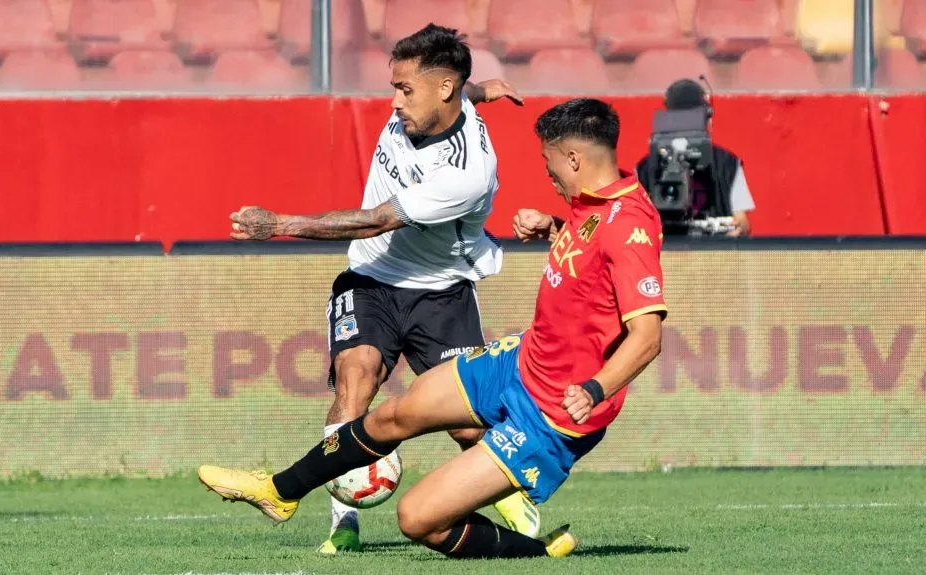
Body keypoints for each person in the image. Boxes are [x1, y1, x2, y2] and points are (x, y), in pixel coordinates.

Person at [199, 98, 667, 560]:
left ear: (574, 158)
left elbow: (647, 336)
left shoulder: (630, 227)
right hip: (521, 362)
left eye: (550, 166)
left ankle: (539, 552)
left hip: (552, 413)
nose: (549, 176)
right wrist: (554, 227)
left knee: (418, 519)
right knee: (392, 415)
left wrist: (594, 388)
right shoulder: (595, 202)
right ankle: (280, 492)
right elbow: (595, 254)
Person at [218, 23, 538, 554]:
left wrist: (278, 223)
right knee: (355, 382)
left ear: (443, 90)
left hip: (441, 292)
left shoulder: (466, 172)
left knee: (467, 425)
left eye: (404, 89)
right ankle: (343, 520)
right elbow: (466, 92)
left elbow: (373, 221)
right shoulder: (442, 100)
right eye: (393, 87)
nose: (393, 103)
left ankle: (514, 507)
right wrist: (488, 89)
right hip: (371, 280)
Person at [635, 78, 755, 237]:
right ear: (707, 117)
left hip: (713, 252)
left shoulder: (727, 164)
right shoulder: (646, 168)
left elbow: (741, 223)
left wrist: (734, 231)